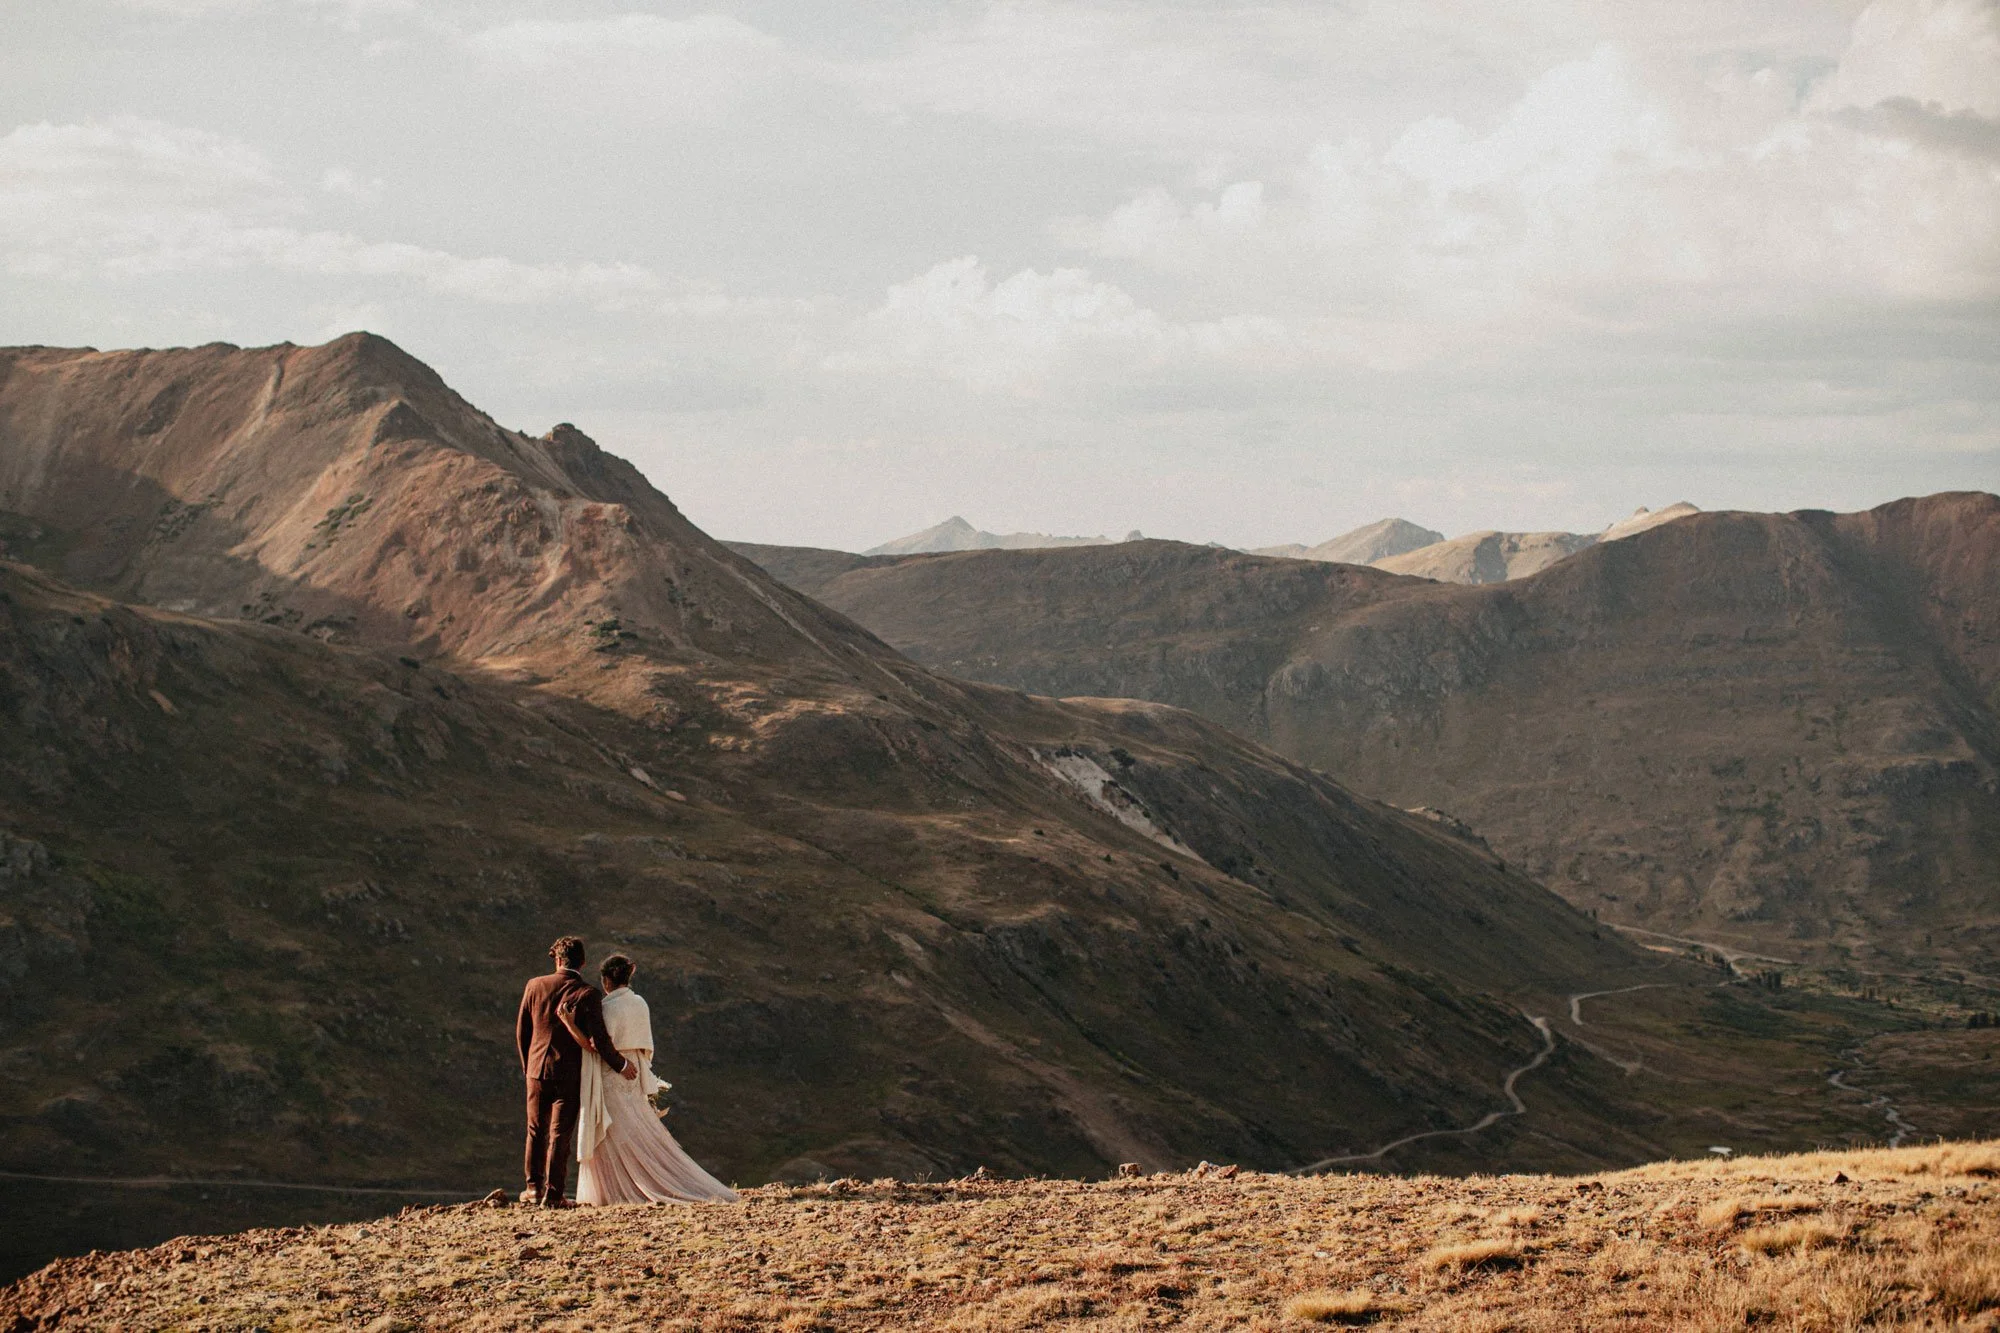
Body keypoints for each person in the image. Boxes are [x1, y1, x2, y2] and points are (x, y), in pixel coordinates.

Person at [575, 953, 739, 1205]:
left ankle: (616, 1188)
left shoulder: (606, 1007)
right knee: (637, 1126)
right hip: (634, 1071)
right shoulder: (640, 1003)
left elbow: (600, 1044)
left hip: (613, 1071)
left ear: (606, 979)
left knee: (611, 1130)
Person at [517, 935, 634, 1207]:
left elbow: (522, 1031)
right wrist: (622, 1065)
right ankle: (554, 1194)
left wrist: (528, 1067)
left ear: (557, 960)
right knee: (560, 1134)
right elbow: (600, 1040)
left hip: (536, 1069)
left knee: (535, 1129)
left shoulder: (534, 986)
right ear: (582, 963)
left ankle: (533, 1188)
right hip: (568, 1074)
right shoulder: (587, 993)